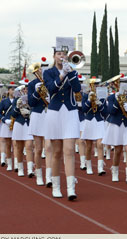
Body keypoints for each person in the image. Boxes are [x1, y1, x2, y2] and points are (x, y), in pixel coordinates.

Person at [43, 47, 81, 200]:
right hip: (55, 112)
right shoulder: (48, 72)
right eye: (59, 54)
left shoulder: (73, 71)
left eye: (64, 54)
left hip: (70, 112)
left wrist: (70, 72)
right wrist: (62, 74)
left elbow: (77, 89)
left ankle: (71, 188)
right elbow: (51, 89)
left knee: (70, 150)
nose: (62, 56)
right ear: (54, 56)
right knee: (57, 151)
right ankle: (56, 186)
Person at [102, 76, 127, 183]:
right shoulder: (111, 97)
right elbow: (110, 112)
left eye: (124, 83)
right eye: (120, 83)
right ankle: (115, 170)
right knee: (118, 150)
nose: (122, 85)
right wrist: (116, 101)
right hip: (117, 124)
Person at [28, 58, 53, 186]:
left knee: (48, 147)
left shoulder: (52, 81)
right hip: (38, 115)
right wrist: (37, 93)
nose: (42, 70)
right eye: (40, 68)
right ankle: (39, 174)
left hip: (50, 114)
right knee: (38, 149)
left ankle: (49, 177)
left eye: (45, 67)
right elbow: (31, 103)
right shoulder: (32, 84)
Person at [81, 77, 107, 175]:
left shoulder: (102, 96)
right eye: (94, 84)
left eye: (97, 84)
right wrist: (89, 100)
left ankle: (100, 168)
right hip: (89, 121)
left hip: (99, 121)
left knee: (100, 144)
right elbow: (83, 109)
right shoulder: (85, 95)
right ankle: (88, 166)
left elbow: (106, 112)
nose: (96, 86)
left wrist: (99, 104)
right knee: (88, 146)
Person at [10, 81, 34, 178]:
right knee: (19, 148)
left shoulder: (33, 99)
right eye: (24, 89)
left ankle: (30, 170)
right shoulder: (16, 100)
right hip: (19, 123)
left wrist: (29, 111)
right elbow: (13, 114)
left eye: (27, 89)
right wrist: (17, 107)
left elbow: (36, 110)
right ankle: (20, 168)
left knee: (29, 147)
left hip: (29, 124)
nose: (26, 90)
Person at [0, 82, 17, 171]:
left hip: (16, 123)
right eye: (12, 89)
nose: (14, 91)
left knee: (16, 145)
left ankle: (17, 164)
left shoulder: (19, 100)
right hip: (7, 123)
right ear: (8, 91)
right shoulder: (4, 101)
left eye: (15, 89)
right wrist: (4, 120)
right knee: (8, 145)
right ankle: (9, 164)